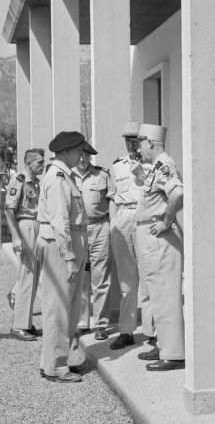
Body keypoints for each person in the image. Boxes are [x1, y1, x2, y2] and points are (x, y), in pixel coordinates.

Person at [36, 131, 88, 383]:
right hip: (61, 247)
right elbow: (60, 221)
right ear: (67, 151)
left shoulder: (64, 176)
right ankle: (55, 367)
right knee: (58, 308)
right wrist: (69, 257)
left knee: (68, 307)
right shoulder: (57, 179)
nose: (82, 156)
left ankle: (55, 361)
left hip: (68, 245)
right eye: (79, 151)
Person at [134, 124, 185, 371]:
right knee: (157, 294)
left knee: (165, 295)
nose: (138, 148)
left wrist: (166, 221)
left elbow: (177, 194)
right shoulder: (155, 167)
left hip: (159, 236)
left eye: (141, 142)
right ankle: (165, 346)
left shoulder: (164, 163)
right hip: (150, 235)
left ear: (151, 143)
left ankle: (174, 354)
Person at [107, 122, 154, 350]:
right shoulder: (117, 166)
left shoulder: (152, 162)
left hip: (145, 214)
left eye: (135, 138)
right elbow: (113, 197)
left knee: (148, 276)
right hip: (124, 215)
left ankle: (152, 331)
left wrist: (142, 174)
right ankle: (126, 330)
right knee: (126, 279)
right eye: (127, 139)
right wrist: (112, 225)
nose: (131, 143)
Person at [72, 141, 113, 341]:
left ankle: (101, 324)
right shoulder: (68, 177)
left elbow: (112, 202)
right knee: (81, 278)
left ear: (90, 157)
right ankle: (82, 322)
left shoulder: (102, 175)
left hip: (100, 228)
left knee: (101, 277)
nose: (82, 159)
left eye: (85, 155)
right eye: (79, 155)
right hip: (78, 230)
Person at [4, 148, 45, 341]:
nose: (42, 165)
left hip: (36, 226)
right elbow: (9, 210)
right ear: (28, 164)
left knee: (33, 277)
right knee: (26, 276)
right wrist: (15, 237)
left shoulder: (36, 183)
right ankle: (18, 325)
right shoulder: (18, 181)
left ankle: (26, 323)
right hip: (25, 226)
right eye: (39, 163)